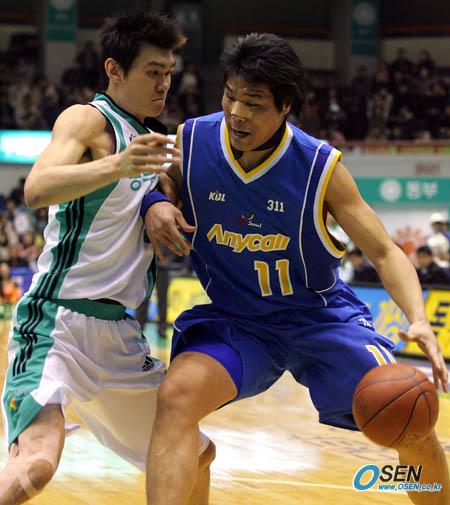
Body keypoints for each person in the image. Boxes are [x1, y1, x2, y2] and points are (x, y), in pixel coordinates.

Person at [144, 33, 449, 505]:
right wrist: (156, 201)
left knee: (410, 417)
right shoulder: (193, 140)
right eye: (229, 95)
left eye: (253, 103)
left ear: (285, 105)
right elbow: (157, 181)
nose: (236, 113)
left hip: (318, 318)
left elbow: (385, 253)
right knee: (175, 397)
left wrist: (420, 319)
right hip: (239, 321)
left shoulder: (321, 168)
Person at [0, 11, 213, 505]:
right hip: (57, 321)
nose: (164, 84)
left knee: (195, 455)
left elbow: (149, 191)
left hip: (118, 333)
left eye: (168, 73)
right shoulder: (88, 119)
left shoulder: (154, 139)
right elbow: (37, 188)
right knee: (37, 462)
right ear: (114, 70)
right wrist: (118, 164)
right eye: (152, 72)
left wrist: (157, 201)